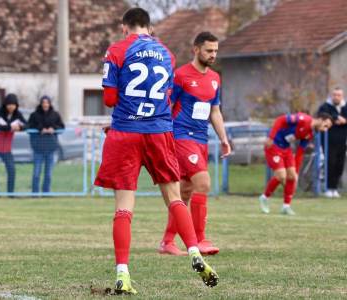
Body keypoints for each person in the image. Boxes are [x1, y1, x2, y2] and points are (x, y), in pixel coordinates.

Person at [94, 7, 218, 295]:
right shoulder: (167, 54)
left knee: (124, 206)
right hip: (160, 131)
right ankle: (194, 253)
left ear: (124, 27)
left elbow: (110, 98)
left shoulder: (117, 50)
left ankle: (123, 272)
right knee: (175, 198)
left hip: (126, 132)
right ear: (149, 27)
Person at [158, 32, 231, 256]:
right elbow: (166, 105)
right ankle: (200, 240)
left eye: (216, 51)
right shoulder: (179, 76)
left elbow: (215, 111)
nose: (213, 55)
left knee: (184, 191)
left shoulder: (215, 78)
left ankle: (167, 242)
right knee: (203, 183)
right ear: (196, 49)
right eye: (209, 50)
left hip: (201, 139)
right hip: (181, 137)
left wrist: (224, 138)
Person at [258, 112, 333, 215]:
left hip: (286, 148)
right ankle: (264, 197)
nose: (325, 129)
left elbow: (300, 152)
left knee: (292, 176)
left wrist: (296, 171)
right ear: (320, 119)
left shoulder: (311, 133)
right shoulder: (303, 119)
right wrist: (271, 137)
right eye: (325, 126)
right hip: (274, 145)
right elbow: (280, 119)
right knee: (281, 176)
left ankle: (286, 206)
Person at [0, 93, 26, 197]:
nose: (11, 107)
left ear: (16, 105)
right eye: (9, 104)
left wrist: (20, 128)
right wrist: (10, 128)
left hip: (6, 146)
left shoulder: (18, 114)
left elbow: (27, 124)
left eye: (13, 105)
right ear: (5, 104)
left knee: (11, 169)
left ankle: (10, 194)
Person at [28, 95, 65, 194]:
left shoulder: (55, 114)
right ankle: (35, 193)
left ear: (49, 103)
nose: (45, 104)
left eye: (47, 102)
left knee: (48, 174)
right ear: (41, 104)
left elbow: (62, 126)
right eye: (43, 102)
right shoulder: (34, 115)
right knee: (36, 173)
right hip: (38, 148)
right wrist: (41, 129)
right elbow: (29, 126)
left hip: (51, 148)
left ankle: (46, 193)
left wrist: (53, 128)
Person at [317, 87, 347, 198]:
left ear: (342, 96)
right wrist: (335, 118)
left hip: (342, 141)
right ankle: (328, 188)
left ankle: (335, 188)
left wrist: (344, 120)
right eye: (334, 95)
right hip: (328, 140)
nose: (336, 97)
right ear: (331, 95)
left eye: (339, 95)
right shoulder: (325, 106)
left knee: (340, 164)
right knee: (330, 163)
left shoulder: (345, 107)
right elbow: (321, 116)